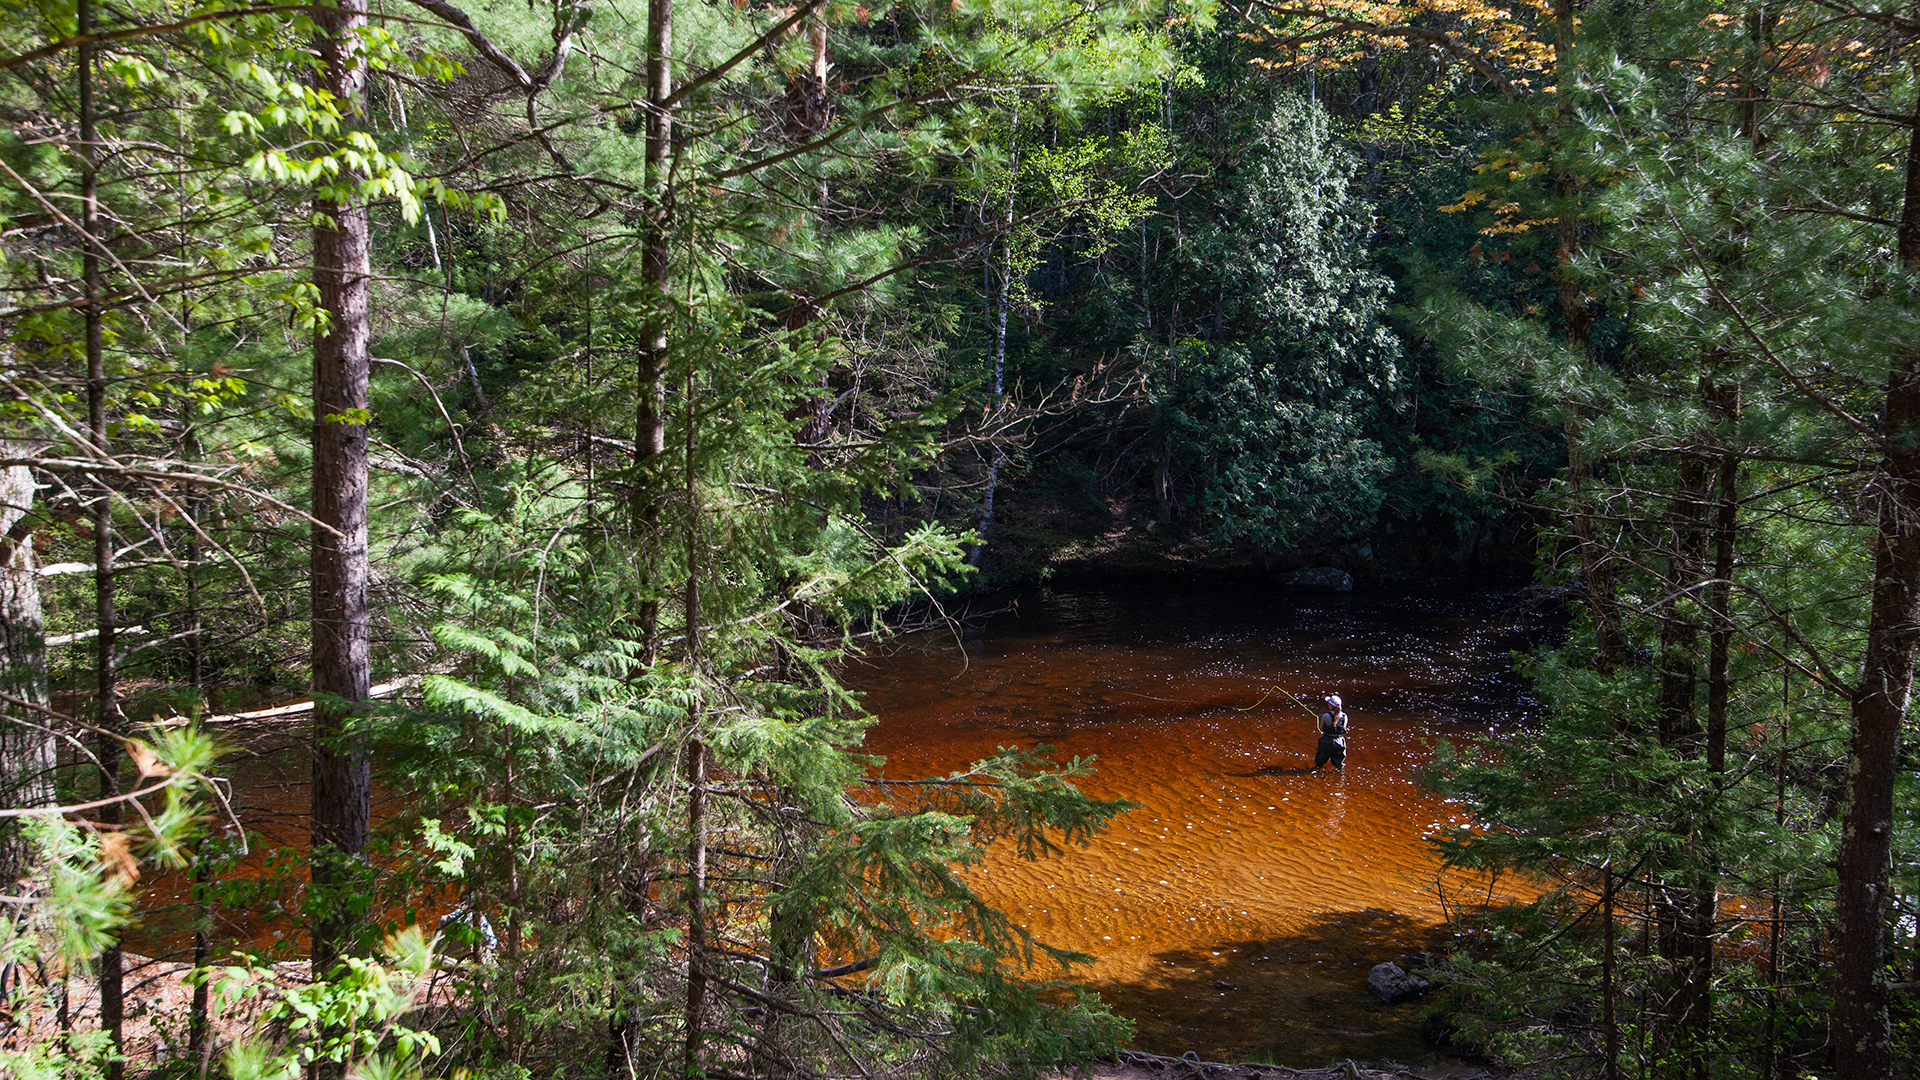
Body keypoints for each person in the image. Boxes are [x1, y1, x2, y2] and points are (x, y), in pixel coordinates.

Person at [1313, 694, 1349, 771]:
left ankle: (1317, 772)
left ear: (1331, 705)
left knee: (1319, 762)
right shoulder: (1345, 716)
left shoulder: (1326, 716)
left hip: (1326, 741)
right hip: (1340, 741)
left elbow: (1322, 728)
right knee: (1339, 763)